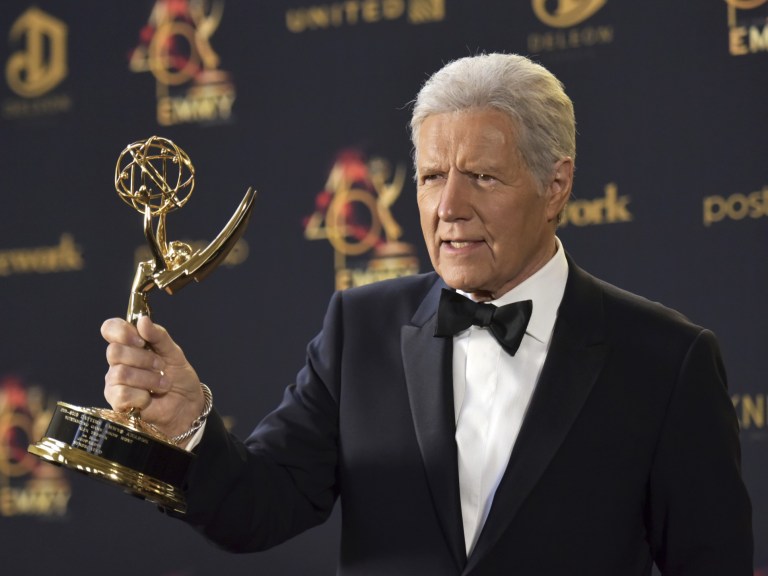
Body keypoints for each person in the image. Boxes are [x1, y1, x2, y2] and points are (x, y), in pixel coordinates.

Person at [101, 53, 753, 575]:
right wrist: (189, 425)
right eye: (431, 177)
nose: (449, 207)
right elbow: (260, 506)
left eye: (482, 178)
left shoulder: (666, 360)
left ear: (556, 185)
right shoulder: (362, 328)